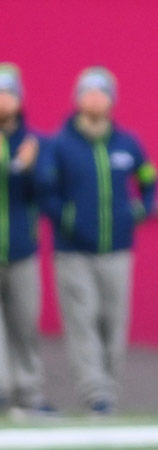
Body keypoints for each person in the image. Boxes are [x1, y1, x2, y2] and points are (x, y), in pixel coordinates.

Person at [41, 67, 157, 415]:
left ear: (111, 100)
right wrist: (69, 219)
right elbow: (47, 193)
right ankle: (95, 393)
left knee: (112, 321)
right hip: (73, 251)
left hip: (117, 250)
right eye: (88, 92)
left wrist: (138, 211)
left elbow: (150, 180)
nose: (94, 98)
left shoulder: (128, 144)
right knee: (83, 320)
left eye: (101, 92)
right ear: (77, 100)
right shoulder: (60, 145)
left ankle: (109, 388)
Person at [0, 63, 55, 417]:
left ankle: (29, 392)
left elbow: (45, 191)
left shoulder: (34, 142)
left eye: (9, 94)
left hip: (22, 248)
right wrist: (15, 168)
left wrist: (32, 169)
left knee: (25, 325)